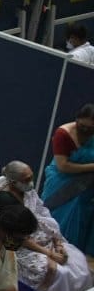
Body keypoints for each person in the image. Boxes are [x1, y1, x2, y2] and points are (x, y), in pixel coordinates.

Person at [0, 161, 93, 291]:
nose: (31, 182)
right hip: (19, 245)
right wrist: (50, 253)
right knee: (60, 273)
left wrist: (57, 242)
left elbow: (44, 216)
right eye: (27, 179)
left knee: (79, 262)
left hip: (42, 236)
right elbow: (19, 236)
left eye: (31, 177)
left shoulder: (28, 192)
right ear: (13, 182)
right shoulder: (5, 200)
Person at [41, 103, 94, 256]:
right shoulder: (63, 134)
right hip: (61, 181)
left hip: (86, 186)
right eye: (82, 126)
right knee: (55, 217)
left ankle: (72, 254)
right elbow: (63, 166)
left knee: (79, 216)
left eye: (90, 128)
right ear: (77, 119)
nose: (85, 131)